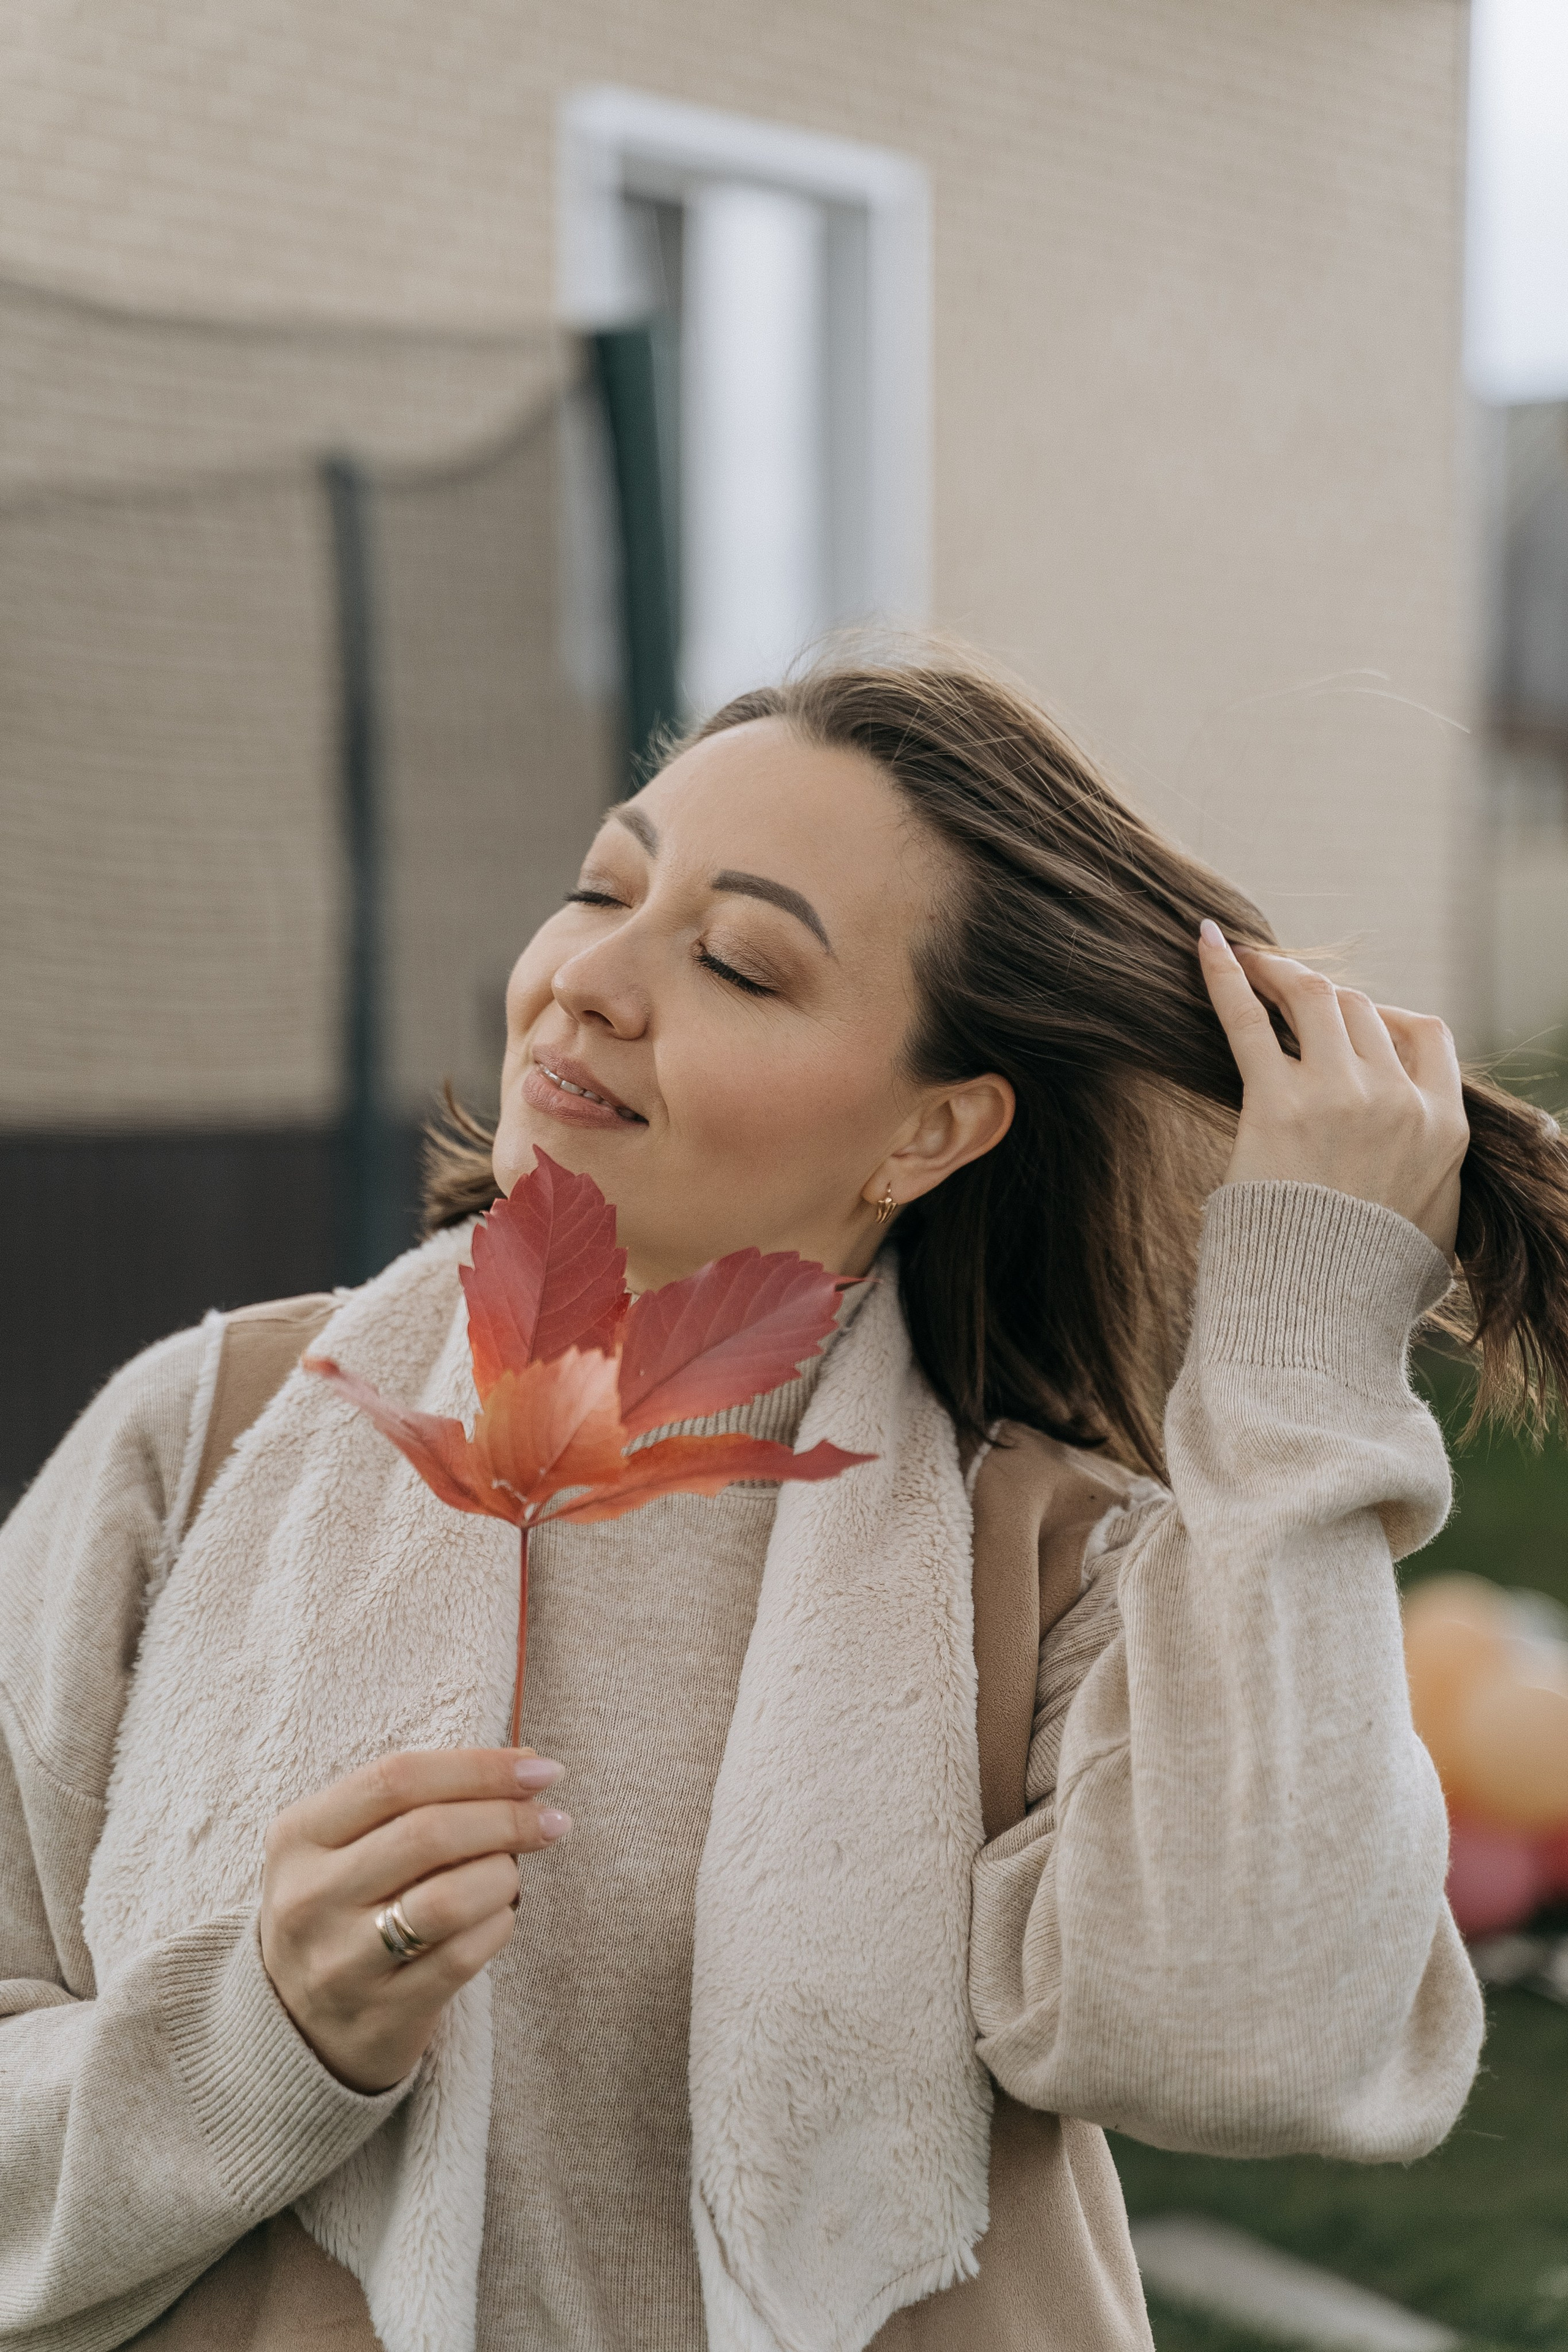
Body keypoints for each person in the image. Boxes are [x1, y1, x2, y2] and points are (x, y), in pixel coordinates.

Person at [3, 654, 1564, 2352]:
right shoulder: (203, 1436)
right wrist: (261, 2038)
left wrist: (1303, 1353)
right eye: (604, 885)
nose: (590, 980)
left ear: (933, 1130)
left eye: (738, 961)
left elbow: (1245, 2037)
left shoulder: (1049, 1560)